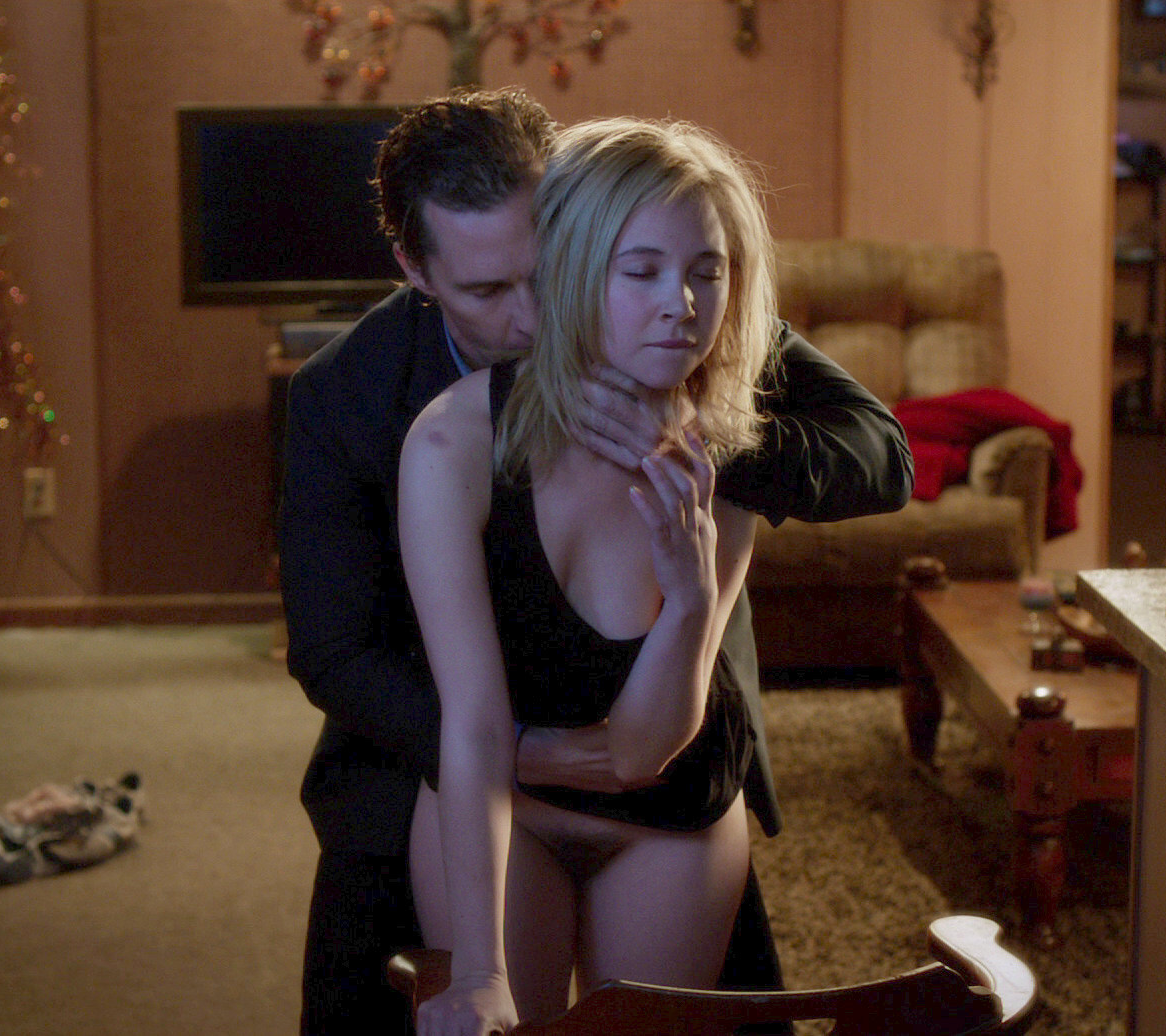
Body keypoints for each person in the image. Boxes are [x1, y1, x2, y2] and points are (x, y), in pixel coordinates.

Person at [281, 88, 912, 1036]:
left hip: (668, 748)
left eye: (550, 271)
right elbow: (335, 653)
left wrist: (700, 435)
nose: (535, 317)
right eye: (490, 291)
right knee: (375, 997)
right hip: (432, 743)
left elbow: (883, 455)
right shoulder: (357, 400)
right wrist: (523, 752)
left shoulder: (676, 320)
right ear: (416, 269)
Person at [403, 116, 777, 1034]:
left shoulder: (729, 450)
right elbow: (474, 723)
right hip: (507, 807)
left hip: (671, 805)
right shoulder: (454, 443)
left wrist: (690, 599)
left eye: (707, 272)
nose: (681, 304)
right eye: (641, 270)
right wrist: (478, 974)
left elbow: (643, 752)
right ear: (571, 272)